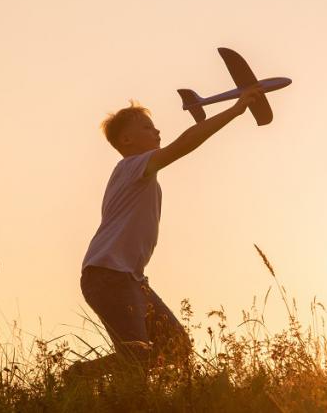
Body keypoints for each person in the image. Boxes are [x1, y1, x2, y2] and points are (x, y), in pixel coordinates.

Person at [67, 89, 262, 384]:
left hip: (129, 278)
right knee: (137, 358)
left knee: (177, 349)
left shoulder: (142, 177)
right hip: (109, 275)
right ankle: (119, 398)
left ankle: (79, 375)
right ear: (126, 140)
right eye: (147, 127)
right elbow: (184, 144)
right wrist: (235, 111)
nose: (156, 130)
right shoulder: (132, 167)